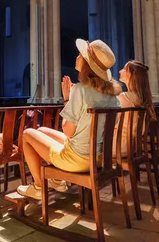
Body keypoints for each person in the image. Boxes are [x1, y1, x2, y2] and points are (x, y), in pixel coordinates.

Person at [17, 38, 122, 199]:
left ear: (87, 64)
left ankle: (38, 187)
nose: (77, 57)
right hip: (99, 158)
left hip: (78, 160)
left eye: (81, 55)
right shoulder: (113, 97)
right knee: (43, 130)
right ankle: (58, 181)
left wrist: (67, 99)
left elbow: (68, 132)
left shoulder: (80, 90)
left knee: (27, 134)